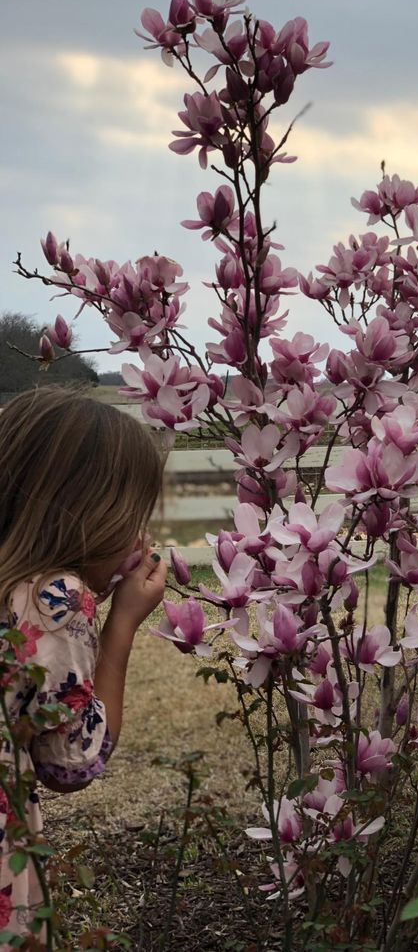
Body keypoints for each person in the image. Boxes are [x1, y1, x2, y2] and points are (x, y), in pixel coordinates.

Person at [0, 386, 166, 939]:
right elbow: (71, 763)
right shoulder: (55, 599)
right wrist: (121, 626)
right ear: (96, 513)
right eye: (133, 515)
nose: (139, 536)